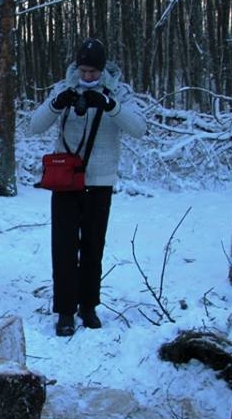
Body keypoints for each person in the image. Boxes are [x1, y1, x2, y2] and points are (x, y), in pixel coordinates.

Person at [29, 39, 146, 336]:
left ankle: (89, 305)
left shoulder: (118, 92)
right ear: (76, 67)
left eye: (94, 71)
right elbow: (34, 126)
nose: (89, 76)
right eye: (84, 70)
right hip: (66, 182)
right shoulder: (63, 88)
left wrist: (111, 106)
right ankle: (65, 310)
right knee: (64, 248)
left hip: (99, 182)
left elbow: (139, 128)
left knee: (93, 247)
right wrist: (57, 104)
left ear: (103, 69)